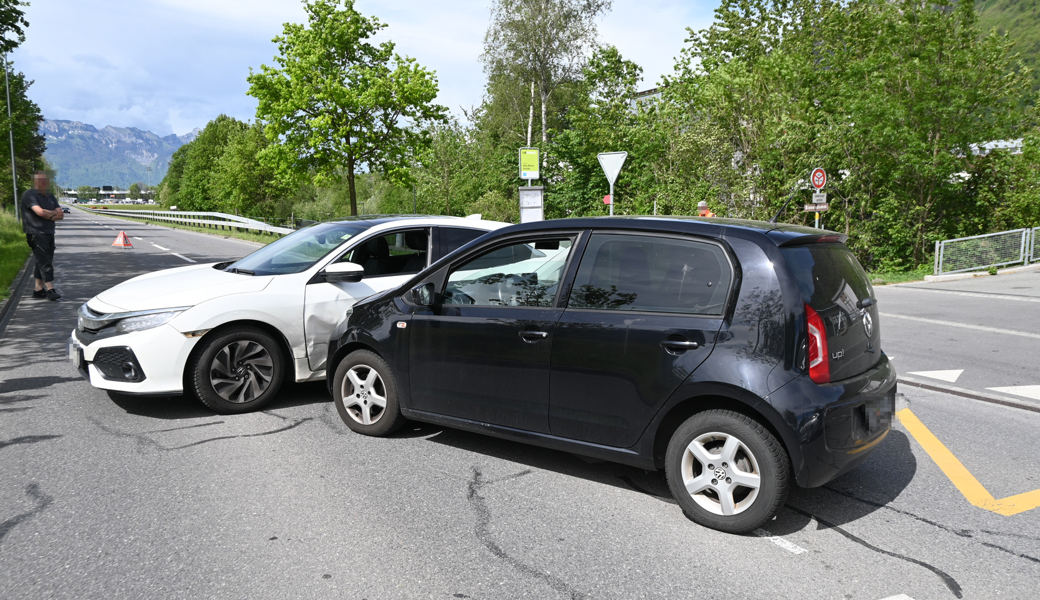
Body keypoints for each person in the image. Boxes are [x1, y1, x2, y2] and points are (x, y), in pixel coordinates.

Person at [20, 171, 64, 300]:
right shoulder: (29, 195)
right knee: (45, 261)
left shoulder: (50, 196)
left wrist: (48, 214)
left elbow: (61, 214)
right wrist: (52, 214)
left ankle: (38, 290)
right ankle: (50, 289)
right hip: (36, 233)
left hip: (49, 232)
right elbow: (39, 212)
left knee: (43, 260)